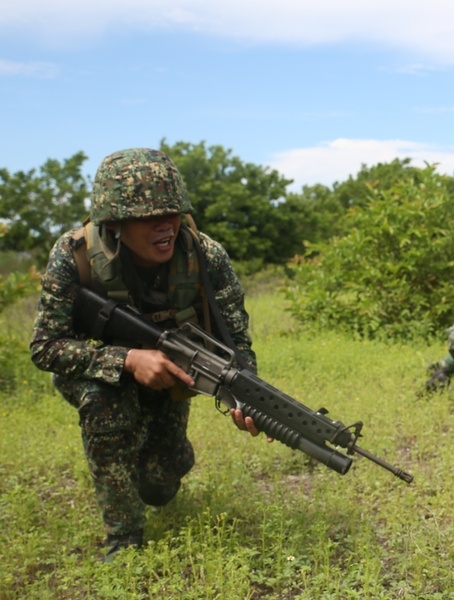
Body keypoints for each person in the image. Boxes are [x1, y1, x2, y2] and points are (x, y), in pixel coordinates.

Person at [30, 148, 266, 561]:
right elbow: (46, 346)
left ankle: (166, 457)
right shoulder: (74, 256)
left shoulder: (205, 256)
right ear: (114, 222)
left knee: (158, 485)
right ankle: (124, 541)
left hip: (171, 376)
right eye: (148, 216)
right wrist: (126, 361)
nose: (165, 225)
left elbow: (238, 345)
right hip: (95, 371)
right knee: (106, 405)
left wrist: (247, 396)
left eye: (172, 212)